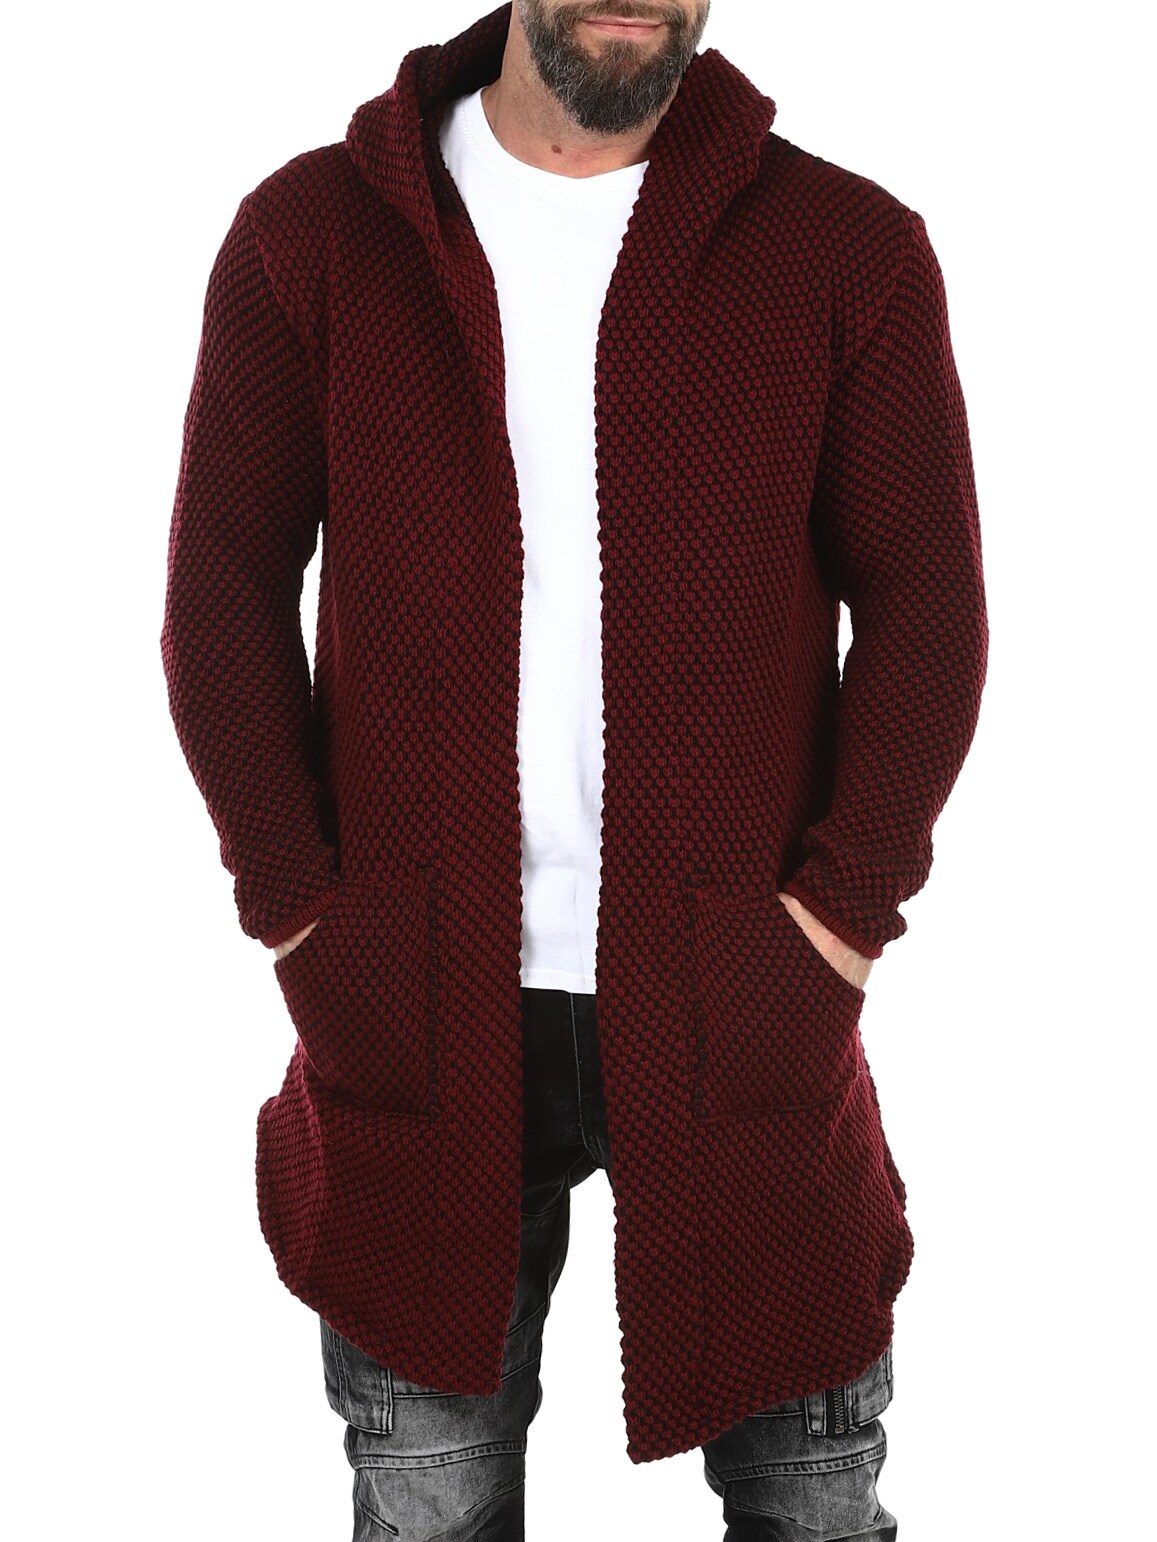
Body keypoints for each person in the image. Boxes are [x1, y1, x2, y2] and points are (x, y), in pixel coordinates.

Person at [160, 1, 987, 1536]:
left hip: (747, 996)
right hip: (409, 999)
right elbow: (223, 589)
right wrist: (298, 912)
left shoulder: (846, 247)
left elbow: (926, 606)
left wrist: (836, 922)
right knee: (426, 1508)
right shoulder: (313, 234)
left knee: (814, 1501)